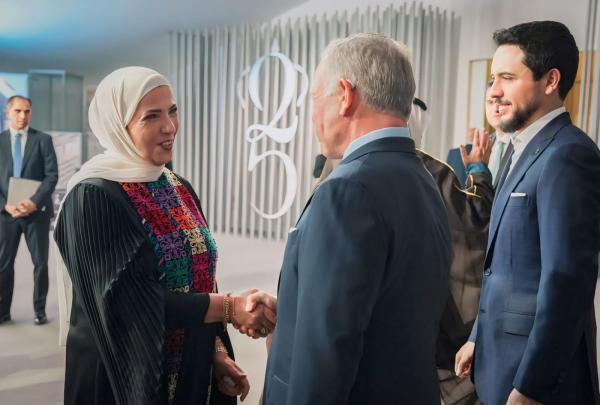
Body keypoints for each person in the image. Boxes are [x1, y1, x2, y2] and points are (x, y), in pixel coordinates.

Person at [54, 66, 277, 405]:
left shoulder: (176, 186)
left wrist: (215, 351)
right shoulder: (93, 196)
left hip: (189, 366)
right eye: (151, 116)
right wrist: (230, 307)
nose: (170, 126)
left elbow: (202, 276)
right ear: (118, 126)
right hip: (126, 379)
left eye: (172, 111)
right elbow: (129, 304)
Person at [262, 33, 452, 405]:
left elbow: (326, 353)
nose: (313, 115)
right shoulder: (423, 179)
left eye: (315, 99)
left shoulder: (347, 191)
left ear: (345, 95)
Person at [455, 21, 600, 405]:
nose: (493, 91)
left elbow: (567, 283)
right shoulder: (519, 150)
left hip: (538, 380)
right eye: (492, 79)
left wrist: (532, 385)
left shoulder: (569, 155)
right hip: (499, 360)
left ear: (550, 80)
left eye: (507, 78)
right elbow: (503, 266)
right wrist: (477, 336)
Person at [409, 99, 494, 405]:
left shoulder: (352, 167)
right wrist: (479, 168)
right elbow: (476, 214)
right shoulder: (427, 170)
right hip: (442, 326)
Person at [0, 95, 58, 325]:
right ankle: (3, 311)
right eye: (17, 111)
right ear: (7, 112)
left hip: (36, 213)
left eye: (27, 111)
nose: (22, 116)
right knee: (4, 265)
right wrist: (5, 205)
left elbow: (51, 175)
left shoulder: (43, 140)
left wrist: (34, 202)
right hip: (6, 214)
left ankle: (39, 311)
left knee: (41, 264)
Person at [484, 86, 513, 187]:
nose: (495, 109)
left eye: (501, 102)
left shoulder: (524, 143)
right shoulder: (483, 145)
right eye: (490, 102)